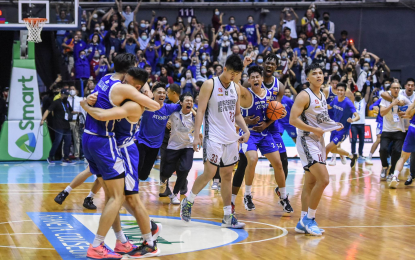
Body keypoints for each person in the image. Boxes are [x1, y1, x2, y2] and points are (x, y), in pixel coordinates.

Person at [82, 53, 160, 259]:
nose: (125, 80)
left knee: (127, 198)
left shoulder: (129, 100)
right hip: (107, 144)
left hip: (123, 148)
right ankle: (122, 240)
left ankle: (148, 237)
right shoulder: (120, 87)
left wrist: (86, 105)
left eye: (129, 81)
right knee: (115, 197)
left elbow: (152, 103)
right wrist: (90, 98)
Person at [180, 54, 250, 229]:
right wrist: (197, 135)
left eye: (237, 74)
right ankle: (188, 202)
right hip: (213, 136)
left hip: (231, 138)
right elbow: (201, 111)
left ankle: (228, 216)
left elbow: (237, 114)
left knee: (227, 176)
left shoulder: (235, 87)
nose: (233, 77)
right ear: (224, 69)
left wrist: (246, 130)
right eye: (231, 73)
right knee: (210, 173)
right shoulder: (209, 85)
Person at [289, 63, 343, 236]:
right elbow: (292, 120)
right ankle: (309, 219)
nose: (319, 76)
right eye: (315, 73)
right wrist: (314, 130)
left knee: (311, 183)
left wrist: (334, 125)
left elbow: (321, 119)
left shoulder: (323, 94)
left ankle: (301, 221)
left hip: (318, 141)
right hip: (307, 141)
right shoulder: (304, 96)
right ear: (308, 78)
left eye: (321, 73)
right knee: (324, 179)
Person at [235, 65, 292, 213]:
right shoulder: (245, 94)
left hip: (265, 133)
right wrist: (246, 121)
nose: (255, 79)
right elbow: (235, 115)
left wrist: (279, 114)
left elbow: (275, 113)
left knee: (278, 164)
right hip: (248, 133)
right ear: (249, 80)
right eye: (252, 77)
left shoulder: (268, 95)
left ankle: (283, 197)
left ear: (261, 79)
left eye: (257, 77)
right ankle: (247, 195)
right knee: (252, 160)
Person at [136, 83, 181, 182]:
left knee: (143, 176)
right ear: (153, 94)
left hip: (155, 146)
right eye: (159, 92)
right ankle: (130, 192)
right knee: (136, 170)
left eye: (164, 93)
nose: (162, 95)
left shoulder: (168, 108)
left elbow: (184, 105)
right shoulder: (146, 106)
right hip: (141, 142)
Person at [160, 93, 198, 204]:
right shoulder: (173, 113)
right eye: (187, 100)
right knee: (167, 172)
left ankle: (175, 194)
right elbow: (163, 119)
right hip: (173, 146)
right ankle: (163, 180)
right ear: (181, 103)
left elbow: (200, 127)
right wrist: (167, 122)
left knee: (185, 169)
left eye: (191, 101)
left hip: (188, 146)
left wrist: (198, 136)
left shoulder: (195, 117)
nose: (189, 102)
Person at [379, 82, 410, 180]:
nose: (396, 89)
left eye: (398, 88)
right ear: (390, 89)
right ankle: (384, 167)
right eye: (394, 88)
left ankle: (392, 172)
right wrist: (392, 104)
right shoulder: (385, 98)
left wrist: (404, 113)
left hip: (399, 130)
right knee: (383, 149)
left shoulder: (403, 99)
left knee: (397, 151)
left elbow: (411, 109)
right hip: (387, 129)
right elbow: (382, 113)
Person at [326, 83, 360, 167]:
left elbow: (357, 116)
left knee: (327, 148)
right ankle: (351, 156)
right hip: (334, 128)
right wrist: (318, 105)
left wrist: (353, 120)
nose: (339, 92)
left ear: (345, 91)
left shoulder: (348, 102)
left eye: (341, 90)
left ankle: (321, 169)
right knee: (333, 150)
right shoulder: (335, 99)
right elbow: (329, 106)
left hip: (342, 131)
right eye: (338, 90)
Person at [40, 89, 75, 165]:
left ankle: (66, 157)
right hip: (58, 125)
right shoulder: (56, 102)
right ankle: (50, 156)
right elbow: (48, 110)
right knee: (57, 142)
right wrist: (43, 119)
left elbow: (71, 111)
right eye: (65, 95)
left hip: (66, 125)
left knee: (68, 142)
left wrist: (79, 112)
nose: (66, 97)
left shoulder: (67, 103)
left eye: (67, 95)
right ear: (61, 94)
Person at [389, 99, 415, 188]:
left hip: (412, 129)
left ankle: (395, 177)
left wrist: (413, 105)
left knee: (403, 157)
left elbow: (407, 114)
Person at [350, 88, 371, 159]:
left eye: (359, 95)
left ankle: (360, 154)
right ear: (354, 96)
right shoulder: (352, 102)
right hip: (354, 124)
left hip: (362, 123)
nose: (358, 97)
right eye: (356, 95)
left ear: (361, 96)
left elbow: (367, 94)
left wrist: (368, 86)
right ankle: (353, 153)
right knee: (354, 139)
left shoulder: (363, 102)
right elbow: (349, 94)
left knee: (362, 140)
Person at [366, 97, 383, 164]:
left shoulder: (398, 99)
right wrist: (374, 107)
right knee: (379, 139)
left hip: (392, 123)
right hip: (382, 122)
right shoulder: (382, 99)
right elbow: (370, 107)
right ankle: (369, 157)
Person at [68, 85, 83, 159]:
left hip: (76, 121)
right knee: (66, 139)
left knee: (76, 139)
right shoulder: (67, 99)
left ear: (76, 91)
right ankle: (65, 155)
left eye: (73, 89)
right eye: (70, 89)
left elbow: (82, 112)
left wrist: (82, 122)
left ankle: (77, 155)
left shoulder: (80, 99)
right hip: (67, 121)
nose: (71, 90)